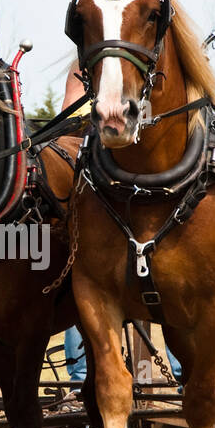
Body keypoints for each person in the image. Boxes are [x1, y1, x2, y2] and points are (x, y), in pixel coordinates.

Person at [58, 70, 182, 384]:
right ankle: (82, 378)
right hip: (104, 193)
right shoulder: (83, 70)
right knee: (85, 279)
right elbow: (67, 125)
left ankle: (186, 380)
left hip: (158, 199)